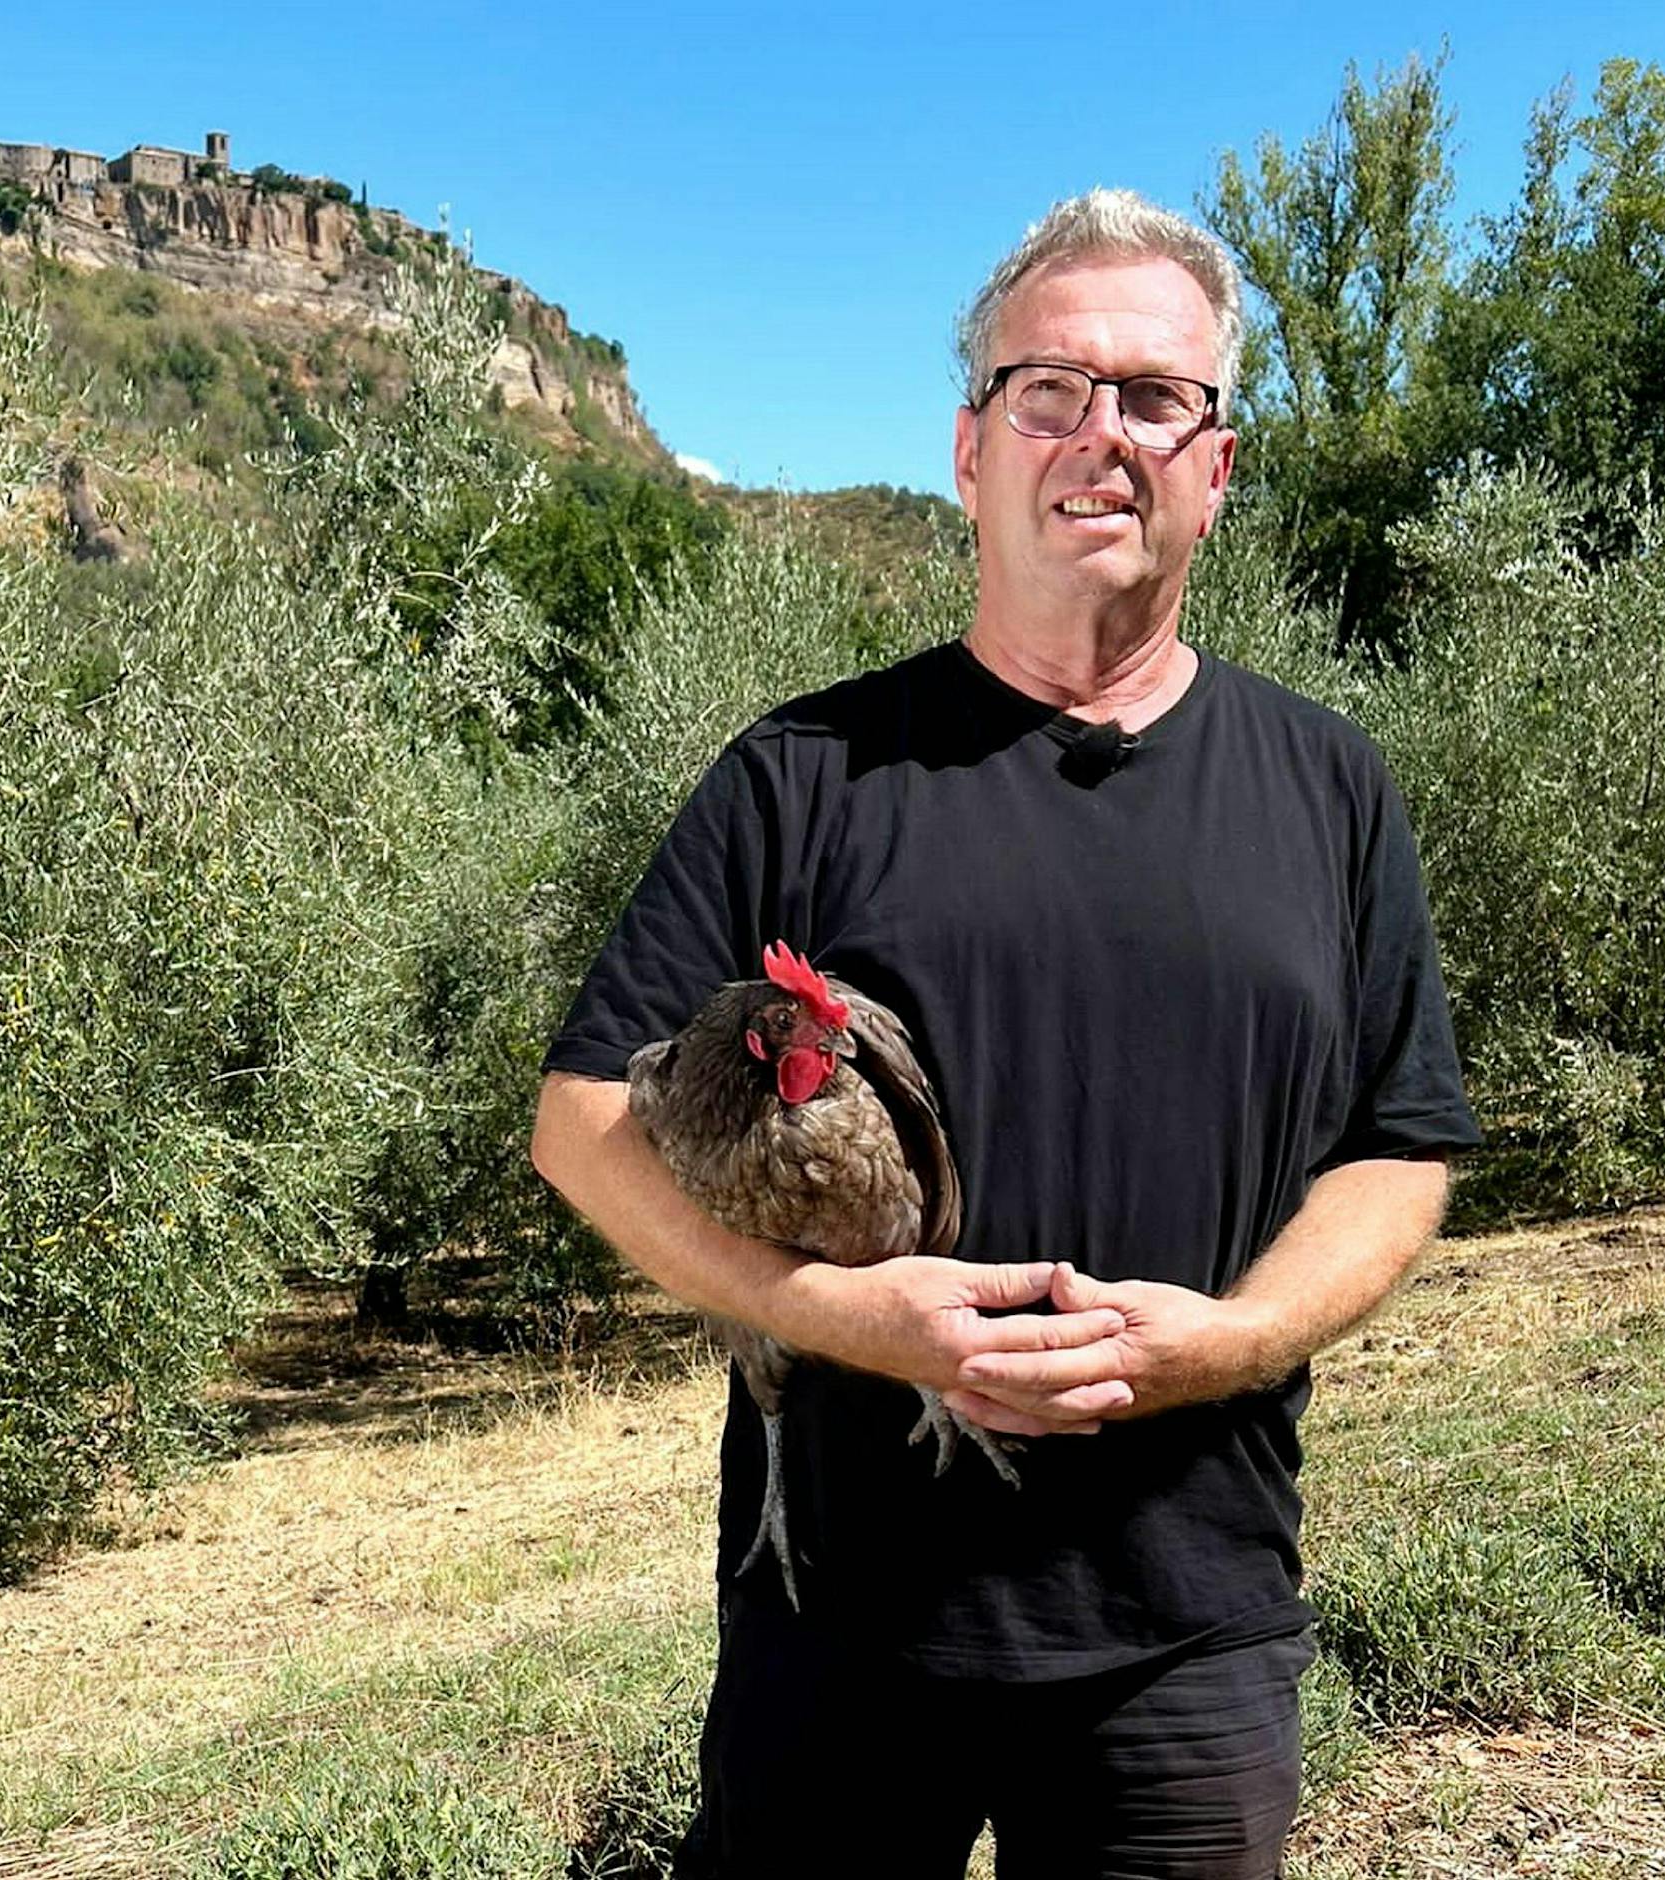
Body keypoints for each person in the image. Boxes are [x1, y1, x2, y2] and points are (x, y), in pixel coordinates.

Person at [531, 189, 1480, 1880]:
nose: (1097, 434)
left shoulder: (1330, 787)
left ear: (1217, 467)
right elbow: (581, 1118)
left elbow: (1399, 1146)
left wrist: (1236, 1342)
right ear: (970, 451)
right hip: (840, 1628)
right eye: (1048, 389)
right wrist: (834, 1313)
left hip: (1193, 1622)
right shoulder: (801, 774)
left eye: (1151, 396)